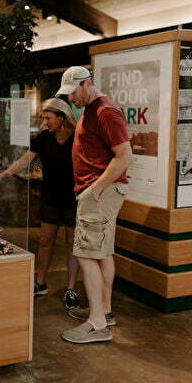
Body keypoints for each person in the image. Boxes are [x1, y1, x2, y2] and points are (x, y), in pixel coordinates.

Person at [56, 66, 133, 344]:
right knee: (100, 253)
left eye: (73, 91)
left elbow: (124, 155)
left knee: (85, 254)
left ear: (87, 84)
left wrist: (95, 189)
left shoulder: (105, 111)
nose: (70, 98)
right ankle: (105, 311)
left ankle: (98, 324)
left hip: (99, 193)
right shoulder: (93, 108)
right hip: (98, 192)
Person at [0, 98, 81, 310]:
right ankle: (40, 283)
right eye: (43, 118)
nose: (45, 122)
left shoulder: (78, 138)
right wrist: (2, 175)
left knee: (71, 244)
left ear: (62, 117)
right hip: (50, 198)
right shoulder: (43, 138)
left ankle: (71, 288)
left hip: (74, 199)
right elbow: (23, 161)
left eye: (48, 118)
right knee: (45, 241)